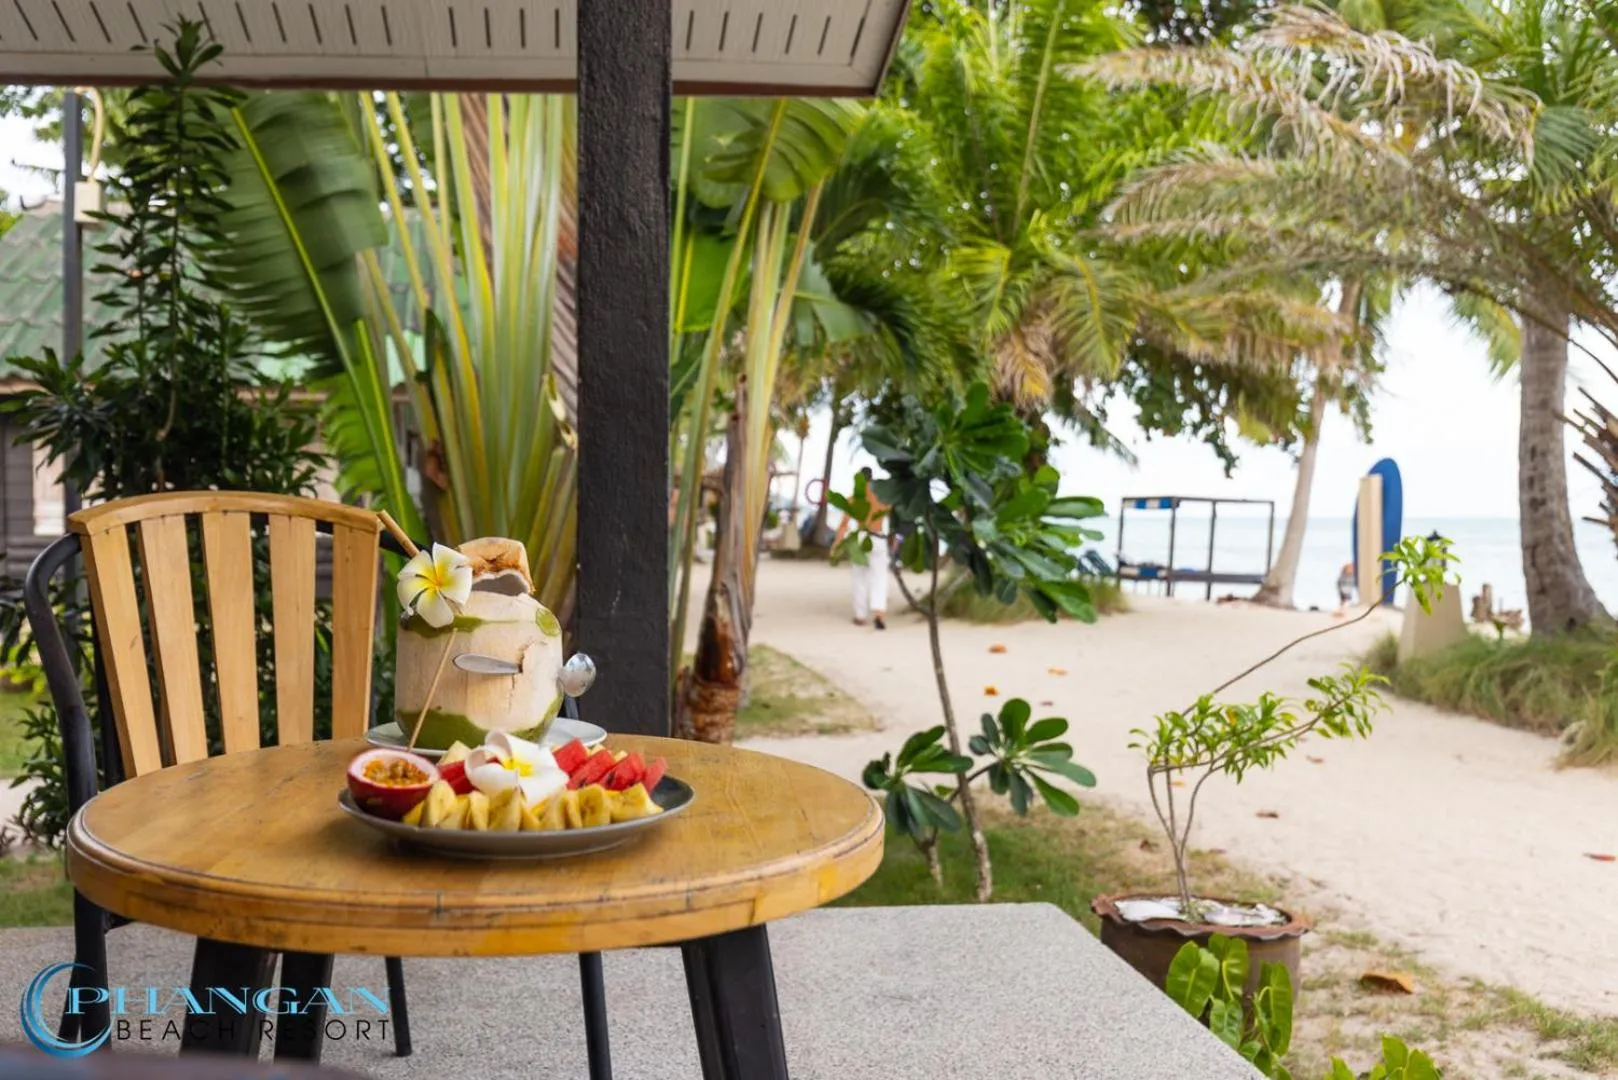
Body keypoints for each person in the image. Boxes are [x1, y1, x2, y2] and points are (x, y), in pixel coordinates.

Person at [834, 467, 891, 630]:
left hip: (861, 539)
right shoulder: (882, 498)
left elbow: (843, 526)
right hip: (878, 538)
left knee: (859, 579)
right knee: (880, 578)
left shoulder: (854, 498)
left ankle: (860, 616)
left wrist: (836, 545)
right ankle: (879, 613)